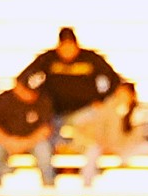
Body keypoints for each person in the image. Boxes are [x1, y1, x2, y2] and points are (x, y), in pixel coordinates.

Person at [17, 28, 121, 158]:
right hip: (54, 113)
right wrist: (33, 97)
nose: (67, 52)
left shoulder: (91, 58)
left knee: (92, 127)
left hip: (83, 111)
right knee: (44, 132)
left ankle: (87, 150)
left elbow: (114, 80)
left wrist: (101, 99)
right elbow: (24, 79)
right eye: (64, 48)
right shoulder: (48, 58)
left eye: (70, 47)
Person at [0, 79, 56, 196]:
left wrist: (25, 143)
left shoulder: (43, 99)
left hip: (34, 141)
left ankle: (49, 194)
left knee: (44, 154)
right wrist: (9, 142)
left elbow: (46, 129)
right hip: (7, 140)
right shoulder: (3, 99)